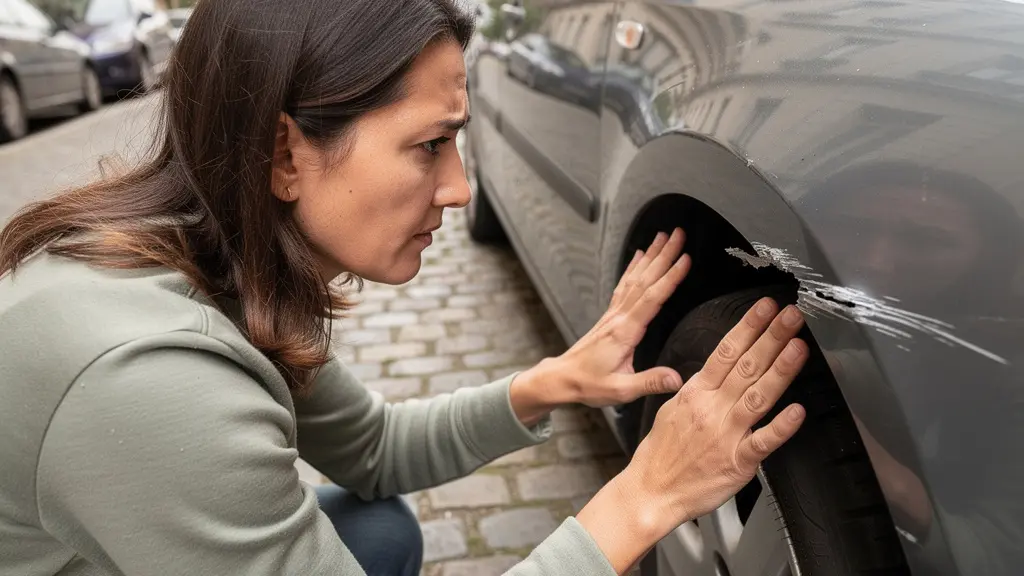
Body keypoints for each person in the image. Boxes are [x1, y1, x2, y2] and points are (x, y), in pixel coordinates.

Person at [0, 1, 810, 575]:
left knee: (375, 532)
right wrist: (646, 496)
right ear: (284, 153)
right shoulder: (151, 381)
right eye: (430, 145)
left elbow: (374, 452)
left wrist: (551, 382)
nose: (460, 188)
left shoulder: (228, 268)